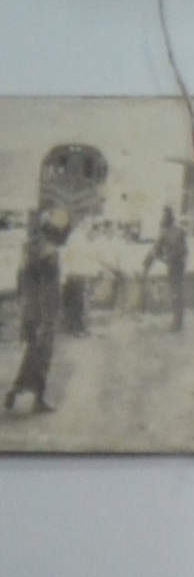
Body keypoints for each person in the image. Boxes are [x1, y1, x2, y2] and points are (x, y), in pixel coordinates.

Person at [5, 144, 103, 416]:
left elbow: (21, 280)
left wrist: (23, 309)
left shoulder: (29, 246)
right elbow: (50, 291)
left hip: (28, 308)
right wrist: (50, 317)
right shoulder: (50, 255)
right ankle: (29, 395)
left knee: (33, 353)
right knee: (42, 355)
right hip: (44, 313)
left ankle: (23, 393)